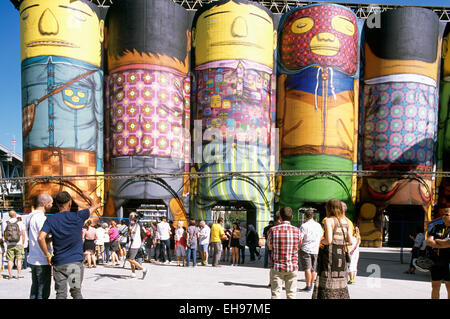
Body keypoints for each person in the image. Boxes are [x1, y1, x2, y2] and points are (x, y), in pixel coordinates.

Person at [38, 191, 101, 299]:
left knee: (61, 294)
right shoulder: (78, 216)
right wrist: (86, 196)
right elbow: (95, 205)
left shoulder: (51, 219)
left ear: (57, 204)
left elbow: (40, 237)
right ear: (70, 203)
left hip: (59, 263)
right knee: (76, 293)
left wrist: (48, 255)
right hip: (74, 263)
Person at [312, 199, 352, 299]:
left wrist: (320, 242)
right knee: (340, 279)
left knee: (327, 279)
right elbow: (350, 241)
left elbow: (328, 240)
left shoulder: (328, 221)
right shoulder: (345, 222)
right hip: (341, 257)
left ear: (329, 208)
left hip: (330, 256)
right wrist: (340, 243)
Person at [267, 206, 302, 299]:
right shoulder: (297, 231)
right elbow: (299, 246)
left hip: (277, 267)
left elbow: (270, 247)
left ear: (280, 217)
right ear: (292, 217)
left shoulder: (273, 230)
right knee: (291, 294)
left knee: (276, 294)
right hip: (292, 266)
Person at [26, 193, 53, 299]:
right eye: (51, 203)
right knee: (43, 291)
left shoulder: (29, 216)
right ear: (45, 204)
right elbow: (41, 238)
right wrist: (48, 255)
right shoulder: (41, 218)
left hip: (33, 257)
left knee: (35, 289)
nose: (52, 205)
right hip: (42, 259)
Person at [426, 209, 450, 299]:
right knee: (435, 286)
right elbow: (428, 241)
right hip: (436, 261)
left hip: (448, 262)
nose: (443, 217)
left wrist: (436, 242)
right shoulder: (436, 227)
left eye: (446, 215)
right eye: (443, 214)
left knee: (449, 286)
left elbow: (449, 244)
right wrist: (443, 243)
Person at [299, 208, 323, 292]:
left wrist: (299, 247)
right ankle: (311, 285)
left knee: (307, 268)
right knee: (313, 268)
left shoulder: (303, 226)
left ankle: (308, 285)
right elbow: (321, 237)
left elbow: (300, 239)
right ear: (313, 216)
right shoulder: (318, 225)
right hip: (315, 249)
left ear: (305, 216)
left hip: (305, 249)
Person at [2, 210, 26, 279]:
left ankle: (10, 275)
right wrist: (23, 243)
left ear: (9, 215)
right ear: (15, 215)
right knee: (19, 259)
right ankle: (18, 275)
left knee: (10, 260)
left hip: (10, 244)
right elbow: (23, 234)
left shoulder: (5, 223)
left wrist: (7, 242)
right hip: (19, 243)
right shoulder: (20, 223)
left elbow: (4, 234)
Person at [126, 213, 148, 279]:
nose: (129, 219)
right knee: (131, 258)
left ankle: (143, 268)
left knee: (130, 259)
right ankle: (133, 273)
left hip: (135, 244)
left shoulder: (137, 225)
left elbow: (133, 232)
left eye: (130, 217)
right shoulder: (132, 225)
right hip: (132, 243)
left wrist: (130, 229)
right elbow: (130, 233)